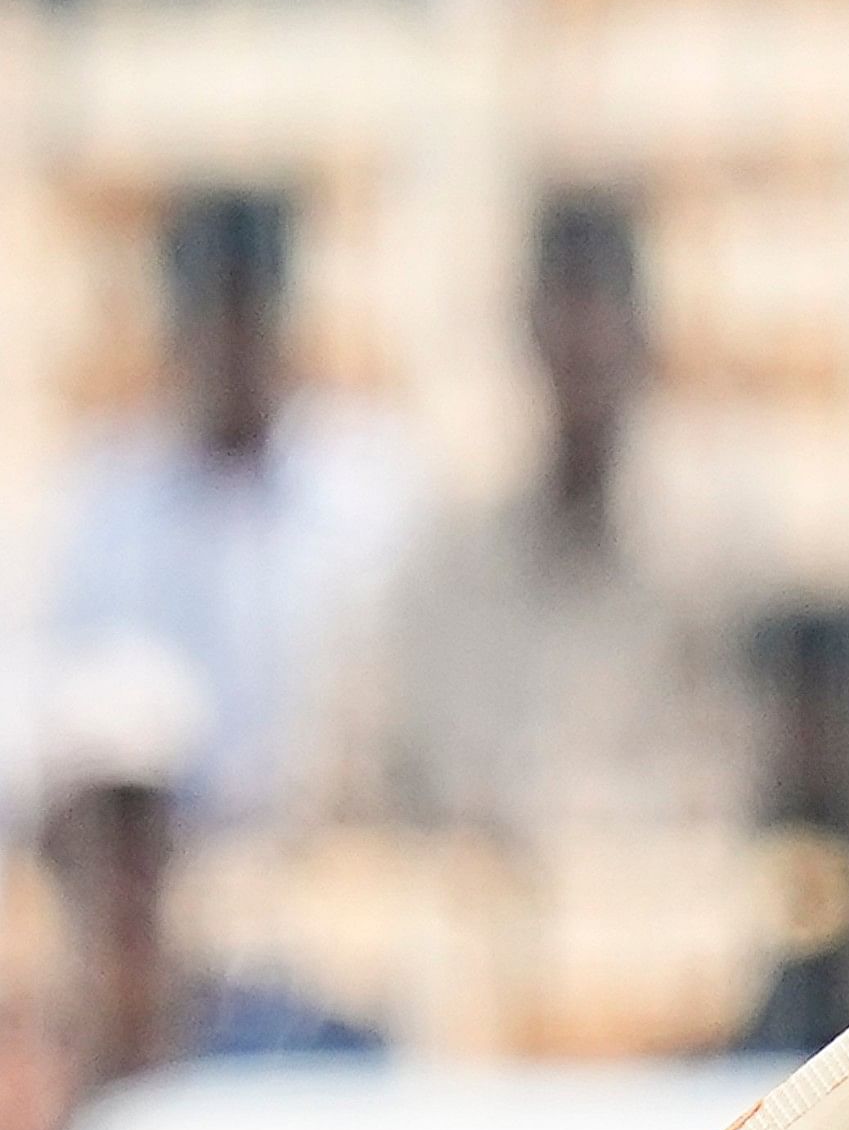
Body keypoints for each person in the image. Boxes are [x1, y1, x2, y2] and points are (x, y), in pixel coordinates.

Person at [326, 194, 755, 846]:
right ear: (531, 336)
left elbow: (728, 792)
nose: (581, 352)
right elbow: (359, 773)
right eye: (563, 322)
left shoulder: (707, 570)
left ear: (641, 341)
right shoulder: (447, 567)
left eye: (601, 323)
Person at [45, 191, 423, 833]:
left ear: (283, 323)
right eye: (210, 319)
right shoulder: (109, 503)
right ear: (176, 330)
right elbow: (64, 704)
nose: (230, 348)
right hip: (164, 860)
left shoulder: (370, 490)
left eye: (249, 317)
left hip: (333, 859)